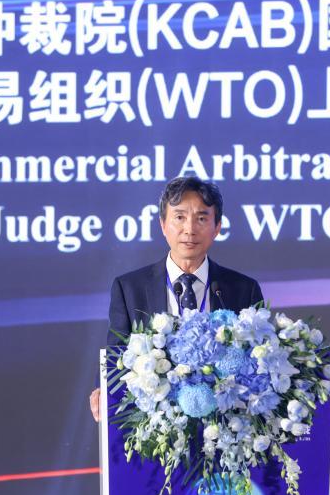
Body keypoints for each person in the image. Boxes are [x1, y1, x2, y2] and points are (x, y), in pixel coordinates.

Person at [89, 176, 264, 421]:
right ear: (163, 224)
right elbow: (117, 357)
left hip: (225, 424)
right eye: (179, 217)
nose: (189, 229)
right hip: (154, 425)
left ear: (217, 227)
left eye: (201, 218)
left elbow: (259, 364)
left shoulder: (244, 289)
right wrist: (105, 390)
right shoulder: (130, 288)